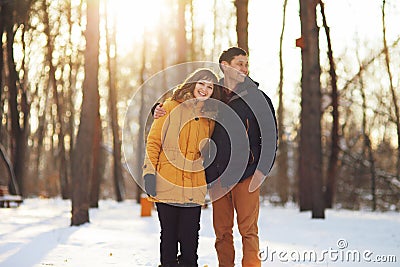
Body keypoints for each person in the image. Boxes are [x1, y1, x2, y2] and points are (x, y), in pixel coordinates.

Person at [153, 47, 277, 267]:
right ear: (224, 65)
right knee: (222, 233)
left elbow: (270, 138)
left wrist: (261, 171)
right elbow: (186, 102)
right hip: (218, 176)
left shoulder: (257, 98)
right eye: (239, 63)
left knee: (248, 231)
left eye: (246, 64)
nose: (245, 68)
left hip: (247, 175)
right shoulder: (214, 92)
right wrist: (158, 108)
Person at [143, 68, 221, 267]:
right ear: (193, 83)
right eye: (201, 83)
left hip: (193, 187)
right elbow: (153, 142)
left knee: (190, 242)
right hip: (167, 181)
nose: (204, 89)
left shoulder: (209, 118)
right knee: (168, 237)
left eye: (209, 87)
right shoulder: (168, 107)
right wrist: (149, 174)